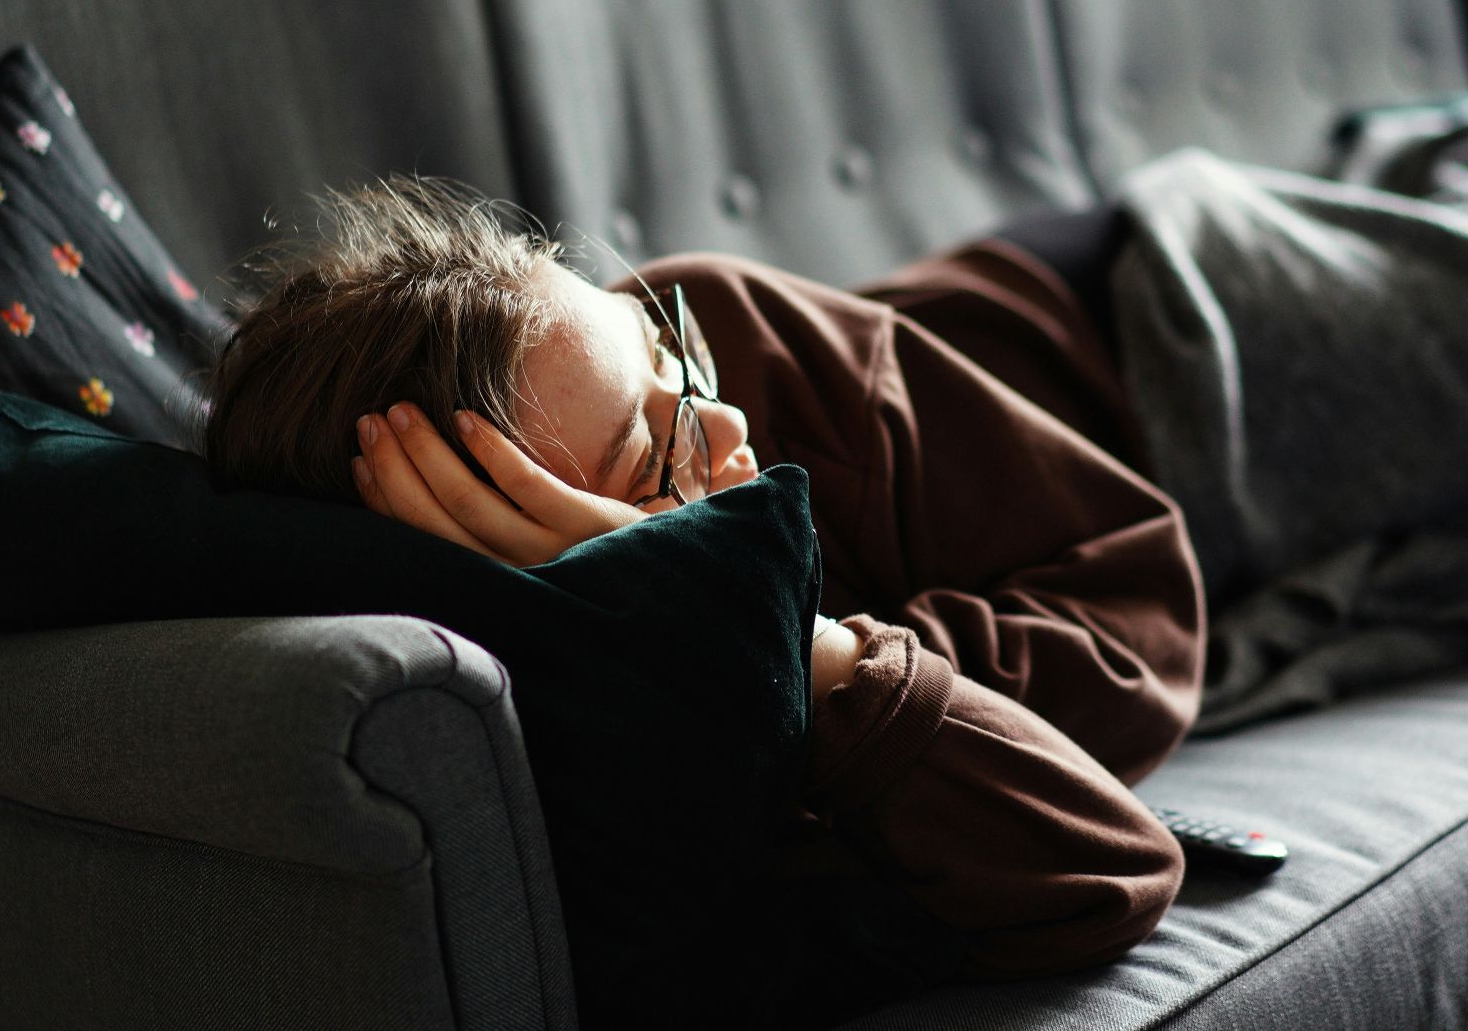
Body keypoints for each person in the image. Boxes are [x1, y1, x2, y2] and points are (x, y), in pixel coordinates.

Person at [201, 177, 1206, 1016]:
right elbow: (1106, 868)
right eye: (650, 454)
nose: (725, 424)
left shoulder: (735, 330)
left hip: (1154, 301)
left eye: (662, 351)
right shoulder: (625, 741)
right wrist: (770, 633)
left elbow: (1141, 617)